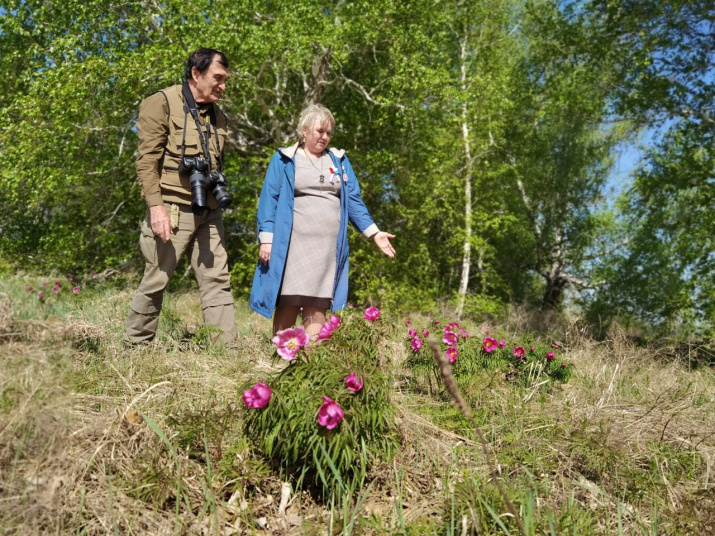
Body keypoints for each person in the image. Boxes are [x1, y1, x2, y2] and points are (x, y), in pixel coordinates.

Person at [250, 104, 395, 339]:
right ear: (305, 130)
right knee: (288, 297)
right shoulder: (284, 159)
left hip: (326, 249)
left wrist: (374, 232)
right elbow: (269, 200)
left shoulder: (339, 160)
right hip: (292, 245)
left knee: (318, 300)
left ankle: (311, 358)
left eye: (329, 133)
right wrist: (267, 240)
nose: (325, 137)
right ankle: (280, 354)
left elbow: (355, 200)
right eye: (320, 131)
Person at [125, 48, 238, 346]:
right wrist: (156, 208)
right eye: (218, 78)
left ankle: (226, 350)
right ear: (196, 73)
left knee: (217, 280)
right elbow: (146, 163)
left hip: (209, 209)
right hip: (172, 208)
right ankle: (135, 346)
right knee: (157, 277)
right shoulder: (161, 103)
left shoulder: (219, 116)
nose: (223, 86)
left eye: (226, 80)